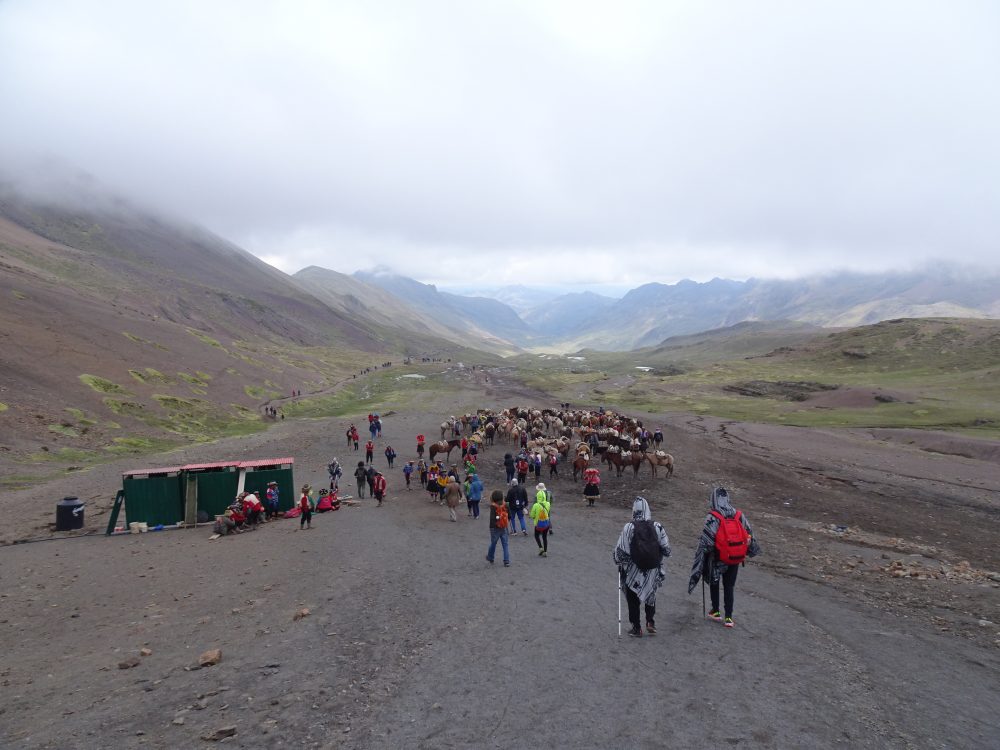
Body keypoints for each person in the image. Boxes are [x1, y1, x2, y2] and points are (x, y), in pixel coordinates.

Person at [687, 487, 760, 628]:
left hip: (717, 557)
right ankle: (729, 618)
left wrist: (702, 556)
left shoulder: (713, 516)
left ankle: (715, 611)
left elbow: (706, 541)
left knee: (714, 582)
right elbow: (749, 535)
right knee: (729, 586)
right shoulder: (739, 515)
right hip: (735, 557)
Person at [613, 497, 671, 637]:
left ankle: (636, 627)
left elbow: (620, 553)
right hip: (652, 569)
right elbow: (667, 550)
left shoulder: (629, 527)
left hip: (634, 570)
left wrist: (620, 561)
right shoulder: (657, 526)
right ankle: (650, 622)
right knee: (651, 594)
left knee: (633, 597)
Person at [486, 490, 511, 567]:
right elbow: (509, 516)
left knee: (493, 543)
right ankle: (506, 561)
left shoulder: (493, 506)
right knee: (505, 545)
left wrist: (494, 525)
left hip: (495, 528)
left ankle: (490, 557)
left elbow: (492, 518)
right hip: (504, 527)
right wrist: (505, 522)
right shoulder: (506, 505)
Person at [530, 483, 552, 556]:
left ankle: (540, 548)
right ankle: (545, 552)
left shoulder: (535, 505)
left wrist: (533, 516)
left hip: (538, 524)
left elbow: (532, 515)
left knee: (536, 536)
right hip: (546, 524)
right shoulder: (548, 504)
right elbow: (548, 512)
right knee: (544, 537)